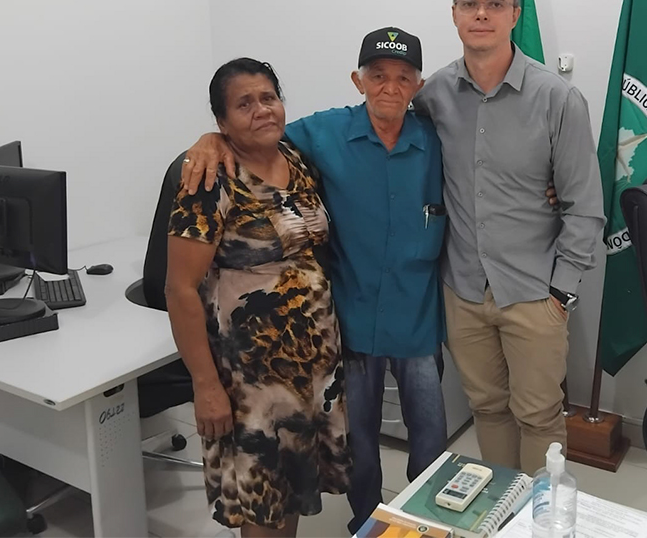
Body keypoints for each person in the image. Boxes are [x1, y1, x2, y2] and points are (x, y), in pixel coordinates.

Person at [180, 29, 448, 534]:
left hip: (416, 321)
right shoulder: (321, 134)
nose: (389, 87)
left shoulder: (437, 140)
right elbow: (254, 132)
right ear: (358, 81)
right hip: (349, 323)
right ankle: (367, 525)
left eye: (403, 77)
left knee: (431, 445)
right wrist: (209, 139)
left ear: (418, 85)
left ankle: (428, 527)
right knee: (358, 447)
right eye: (377, 76)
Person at [413, 0, 606, 474]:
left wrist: (562, 291)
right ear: (454, 14)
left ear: (515, 15)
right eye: (470, 4)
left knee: (539, 415)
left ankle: (539, 515)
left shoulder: (557, 98)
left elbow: (585, 206)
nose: (482, 14)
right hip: (463, 289)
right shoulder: (432, 96)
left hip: (534, 290)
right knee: (487, 409)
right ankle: (502, 510)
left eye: (495, 4)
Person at [165, 58, 351, 538]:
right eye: (244, 104)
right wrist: (205, 385)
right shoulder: (210, 182)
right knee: (261, 500)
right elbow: (179, 289)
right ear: (222, 122)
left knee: (290, 489)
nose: (262, 110)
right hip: (251, 378)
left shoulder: (295, 160)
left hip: (310, 368)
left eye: (268, 97)